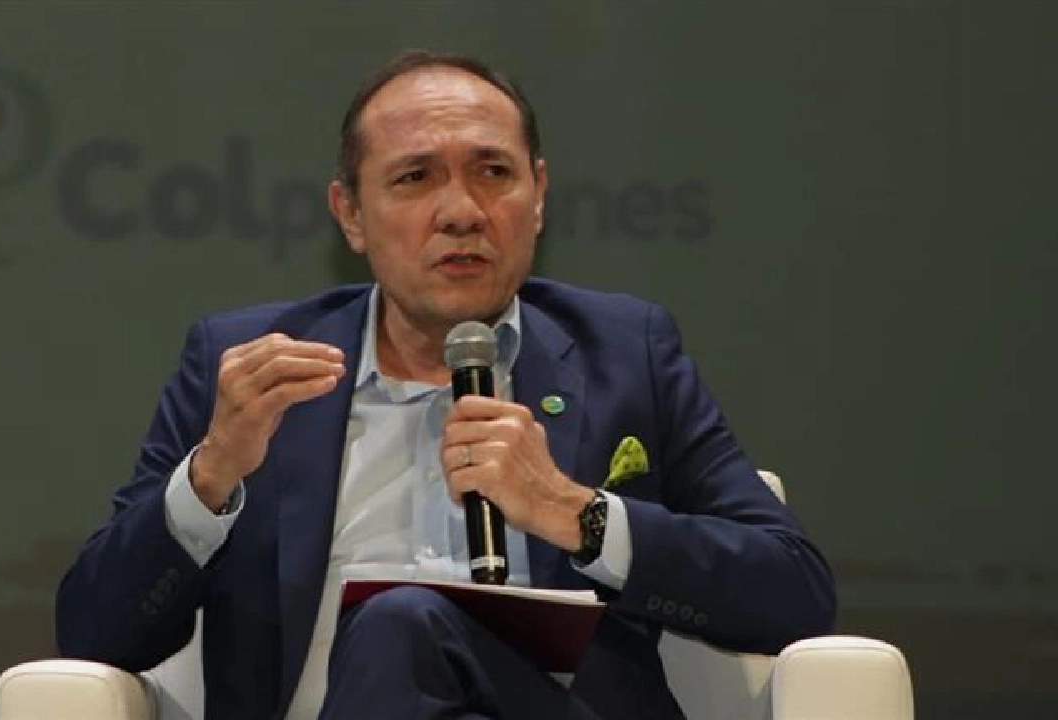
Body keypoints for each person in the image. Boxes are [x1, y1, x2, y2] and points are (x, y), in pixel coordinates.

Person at [55, 50, 837, 720]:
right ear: (350, 214)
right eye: (414, 178)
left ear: (538, 196)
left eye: (493, 173)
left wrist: (579, 514)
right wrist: (211, 476)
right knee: (400, 627)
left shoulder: (626, 353)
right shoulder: (248, 371)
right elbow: (95, 631)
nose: (462, 212)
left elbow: (793, 593)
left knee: (400, 624)